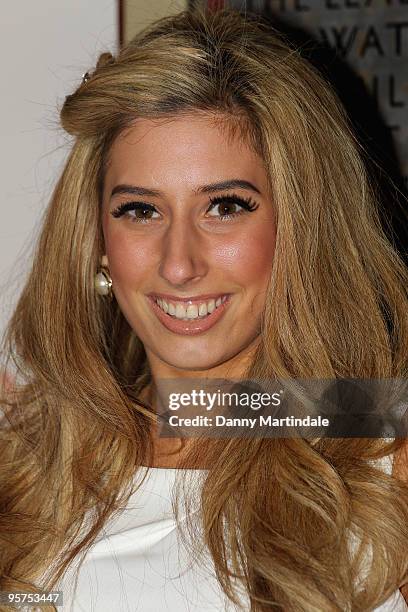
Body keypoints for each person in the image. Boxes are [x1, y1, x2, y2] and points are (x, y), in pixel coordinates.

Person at [0, 7, 407, 611]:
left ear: (299, 227)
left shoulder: (379, 454)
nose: (179, 264)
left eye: (226, 206)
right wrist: (52, 421)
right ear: (95, 241)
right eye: (140, 210)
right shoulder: (31, 465)